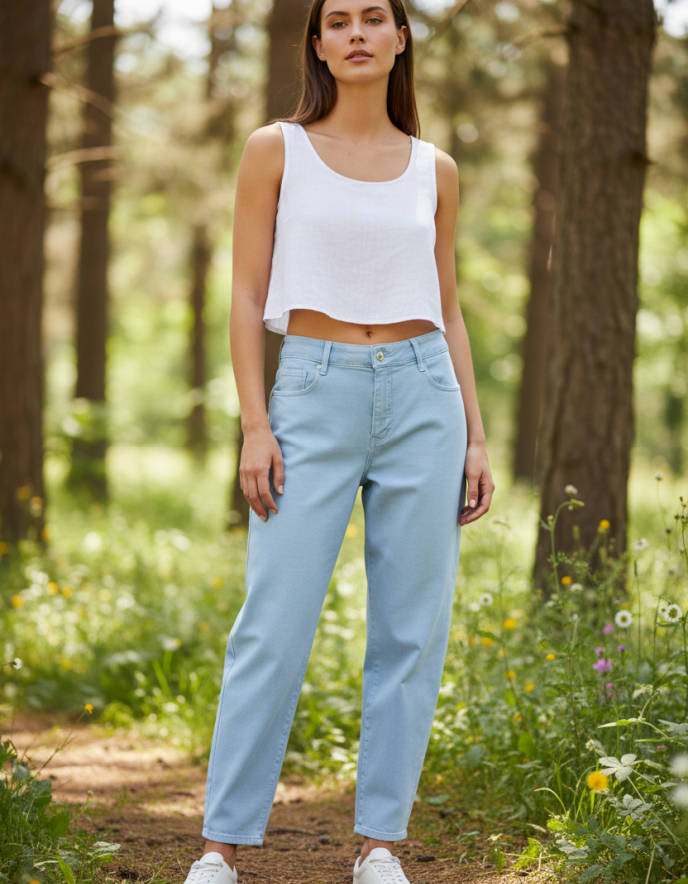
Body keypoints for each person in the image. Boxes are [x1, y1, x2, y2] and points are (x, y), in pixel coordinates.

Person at [183, 1, 494, 882]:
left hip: (423, 392)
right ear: (316, 43)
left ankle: (379, 847)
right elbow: (245, 297)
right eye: (337, 21)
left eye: (374, 18)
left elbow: (450, 304)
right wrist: (254, 423)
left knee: (411, 630)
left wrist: (474, 434)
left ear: (401, 38)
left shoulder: (436, 168)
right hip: (311, 394)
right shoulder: (273, 148)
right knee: (272, 626)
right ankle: (221, 847)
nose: (356, 33)